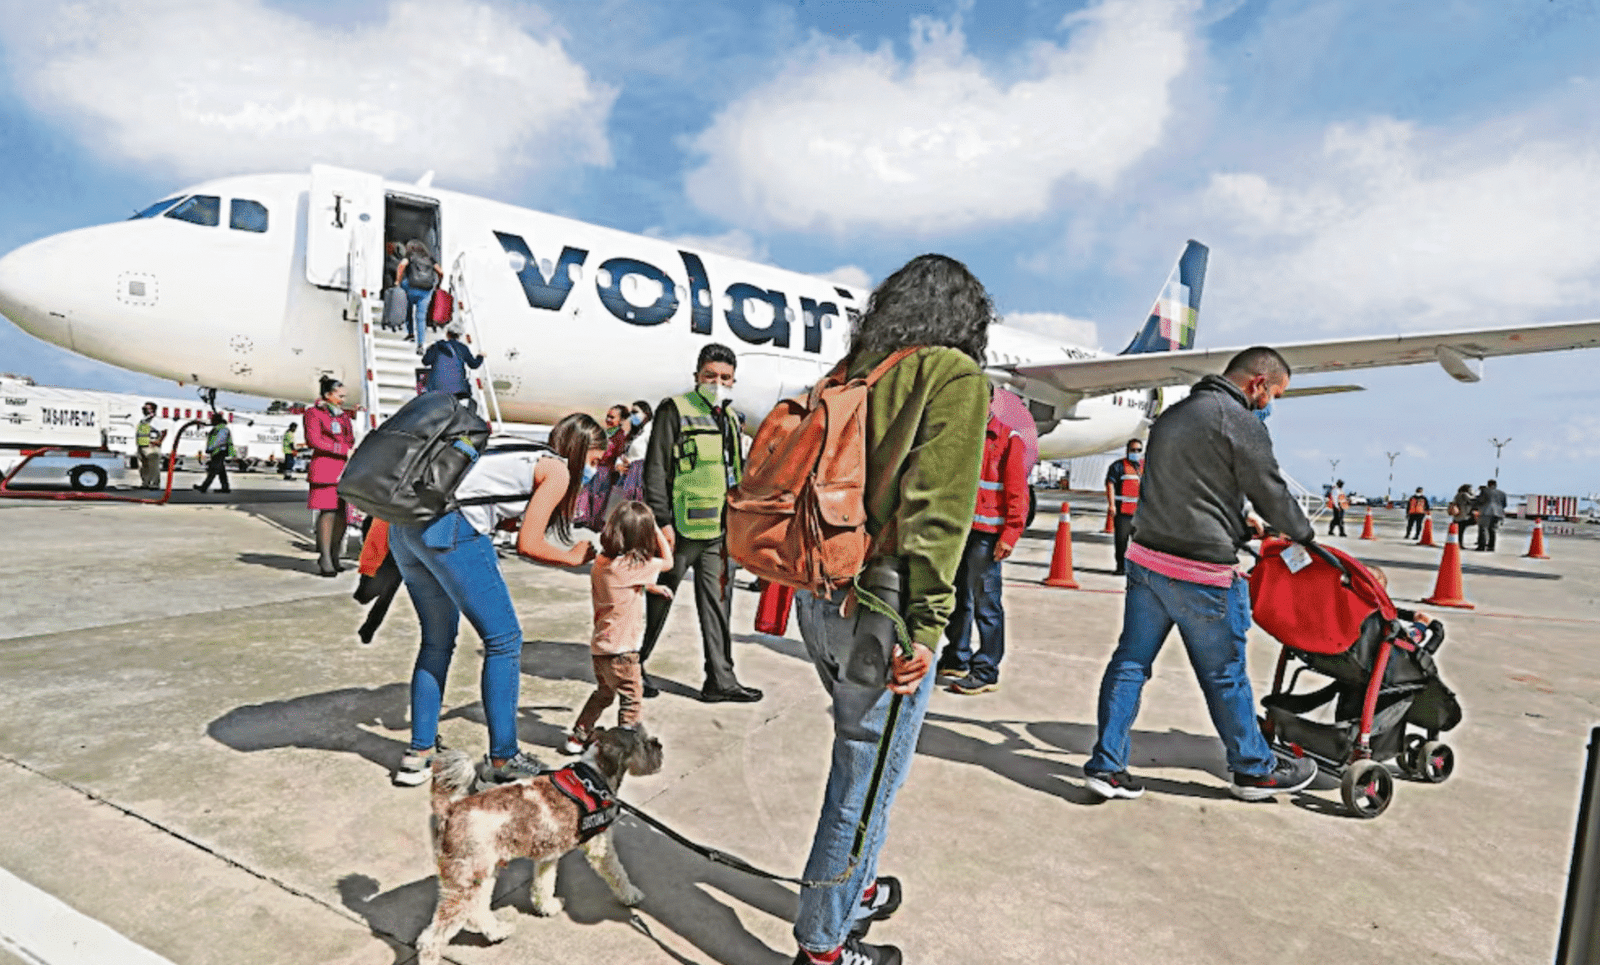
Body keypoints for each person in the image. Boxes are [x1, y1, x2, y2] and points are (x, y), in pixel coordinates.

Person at [787, 253, 992, 965]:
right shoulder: (953, 375)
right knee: (864, 781)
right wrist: (930, 627)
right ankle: (823, 946)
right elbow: (937, 517)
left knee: (860, 763)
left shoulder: (853, 371)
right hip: (885, 608)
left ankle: (853, 889)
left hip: (818, 595)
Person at [1082, 346, 1318, 803]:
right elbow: (1271, 492)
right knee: (1226, 674)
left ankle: (1106, 766)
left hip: (1148, 562)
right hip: (1202, 574)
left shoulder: (1172, 416)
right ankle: (1253, 769)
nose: (1271, 405)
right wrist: (1305, 535)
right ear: (1258, 383)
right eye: (1275, 395)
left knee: (1130, 664)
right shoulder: (1239, 421)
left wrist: (1234, 519)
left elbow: (1189, 488)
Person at [390, 412, 607, 788]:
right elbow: (530, 544)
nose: (594, 471)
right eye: (595, 461)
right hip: (451, 530)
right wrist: (574, 556)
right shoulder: (557, 471)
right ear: (581, 450)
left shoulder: (516, 447)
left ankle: (418, 755)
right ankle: (504, 757)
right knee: (504, 641)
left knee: (436, 641)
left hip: (406, 531)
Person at [638, 343, 761, 704]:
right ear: (697, 377)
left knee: (719, 602)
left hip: (719, 530)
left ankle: (720, 679)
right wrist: (662, 521)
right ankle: (633, 666)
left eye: (724, 377)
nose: (717, 382)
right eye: (710, 376)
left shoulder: (732, 418)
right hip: (678, 528)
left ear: (734, 381)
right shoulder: (675, 410)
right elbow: (656, 468)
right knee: (657, 600)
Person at [564, 500, 674, 754]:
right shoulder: (633, 566)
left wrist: (650, 587)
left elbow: (622, 588)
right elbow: (667, 560)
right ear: (643, 537)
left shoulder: (603, 562)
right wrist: (657, 528)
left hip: (601, 648)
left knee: (603, 694)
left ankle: (578, 737)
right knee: (632, 700)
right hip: (624, 652)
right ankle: (627, 747)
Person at [935, 399, 1029, 695]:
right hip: (959, 532)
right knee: (959, 599)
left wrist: (1010, 533)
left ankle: (986, 669)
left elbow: (1017, 491)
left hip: (987, 536)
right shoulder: (962, 433)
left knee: (986, 605)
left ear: (989, 401)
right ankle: (956, 657)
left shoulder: (1007, 439)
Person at [304, 377, 355, 577]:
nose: (343, 400)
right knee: (328, 512)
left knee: (342, 514)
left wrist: (349, 449)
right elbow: (314, 440)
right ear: (327, 395)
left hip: (343, 469)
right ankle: (324, 556)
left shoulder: (343, 417)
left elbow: (349, 438)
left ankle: (335, 554)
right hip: (325, 468)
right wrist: (342, 449)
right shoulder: (314, 413)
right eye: (339, 396)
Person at [1103, 438, 1145, 575]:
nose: (1136, 453)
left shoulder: (1145, 467)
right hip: (1123, 512)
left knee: (1140, 545)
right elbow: (1110, 484)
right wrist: (1111, 505)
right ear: (1127, 450)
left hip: (1140, 514)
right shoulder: (1118, 466)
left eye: (1139, 450)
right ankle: (1121, 567)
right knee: (1121, 542)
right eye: (1133, 450)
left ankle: (1138, 569)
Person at [420, 325, 484, 400]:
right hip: (457, 391)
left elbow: (425, 361)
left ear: (447, 334)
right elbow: (474, 365)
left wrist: (429, 350)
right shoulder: (463, 348)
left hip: (436, 388)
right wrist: (480, 356)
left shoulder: (437, 346)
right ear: (459, 336)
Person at [395, 239, 440, 346]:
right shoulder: (430, 258)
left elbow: (401, 266)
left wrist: (397, 281)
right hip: (426, 290)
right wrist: (438, 284)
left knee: (408, 308)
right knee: (421, 317)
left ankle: (410, 332)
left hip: (412, 288)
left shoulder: (410, 255)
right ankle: (420, 344)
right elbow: (440, 271)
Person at [192, 412, 233, 494]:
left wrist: (210, 448)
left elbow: (220, 441)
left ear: (217, 420)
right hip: (217, 451)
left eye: (212, 420)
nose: (211, 421)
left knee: (213, 470)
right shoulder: (219, 427)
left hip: (219, 451)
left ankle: (204, 487)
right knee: (221, 471)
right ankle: (225, 488)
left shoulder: (222, 428)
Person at [136, 402, 165, 489]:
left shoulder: (156, 420)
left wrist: (159, 441)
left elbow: (164, 431)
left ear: (152, 409)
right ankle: (145, 482)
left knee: (153, 467)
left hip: (151, 446)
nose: (144, 410)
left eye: (146, 408)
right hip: (142, 445)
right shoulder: (144, 420)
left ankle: (154, 484)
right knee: (143, 467)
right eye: (143, 408)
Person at [1472, 478, 1508, 551]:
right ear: (1495, 485)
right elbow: (1504, 505)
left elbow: (1480, 501)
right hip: (1498, 513)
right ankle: (1491, 547)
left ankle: (1481, 546)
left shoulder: (1485, 491)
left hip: (1486, 512)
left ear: (1488, 484)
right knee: (1493, 530)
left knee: (1483, 529)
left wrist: (1474, 506)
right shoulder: (1502, 493)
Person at [1448, 484, 1476, 548]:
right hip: (1463, 515)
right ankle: (1459, 544)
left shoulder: (1457, 495)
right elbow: (1472, 499)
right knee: (1461, 530)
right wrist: (1473, 493)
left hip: (1458, 515)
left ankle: (1458, 543)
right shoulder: (1464, 494)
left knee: (1459, 531)